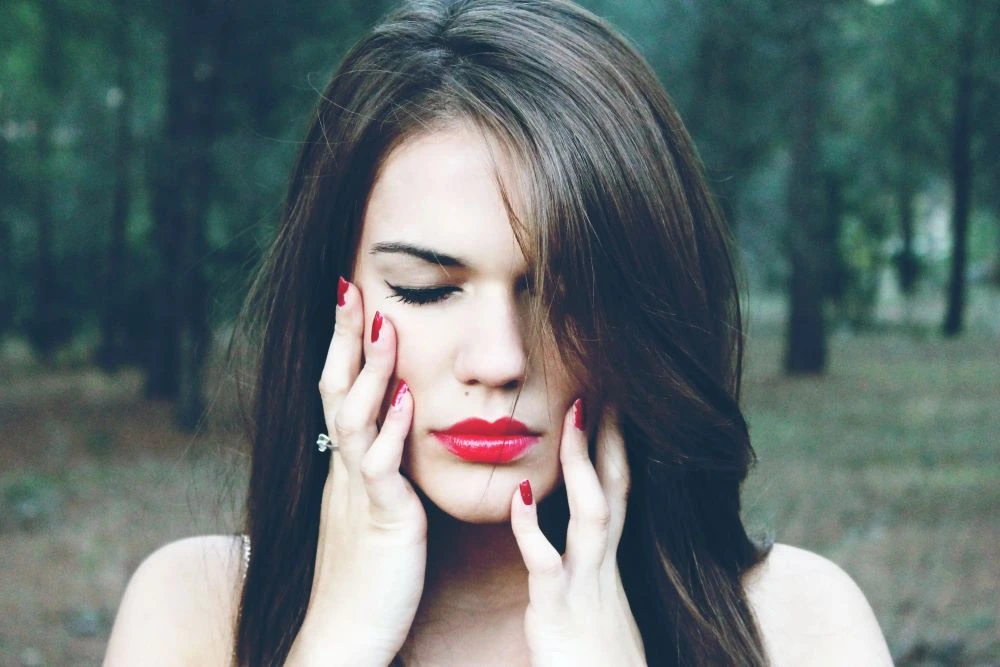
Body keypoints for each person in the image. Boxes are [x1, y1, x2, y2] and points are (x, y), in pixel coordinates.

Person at [104, 1, 893, 665]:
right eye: (427, 288)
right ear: (331, 303)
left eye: (568, 293)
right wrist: (336, 641)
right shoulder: (196, 613)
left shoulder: (798, 624)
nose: (500, 359)